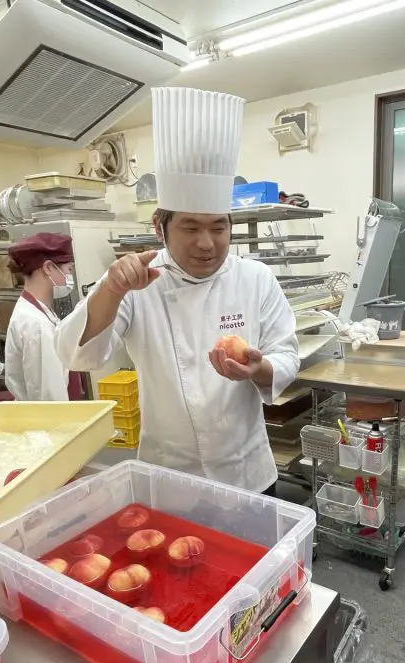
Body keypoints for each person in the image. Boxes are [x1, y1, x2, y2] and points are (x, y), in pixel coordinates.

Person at [55, 87, 299, 495]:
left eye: (219, 227)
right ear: (159, 226)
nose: (207, 243)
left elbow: (286, 354)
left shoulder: (256, 278)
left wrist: (258, 368)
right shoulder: (136, 281)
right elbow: (78, 355)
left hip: (248, 473)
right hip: (170, 478)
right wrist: (111, 290)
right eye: (190, 227)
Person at [4, 232, 87, 401]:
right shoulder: (37, 324)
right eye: (68, 270)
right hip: (51, 422)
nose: (69, 278)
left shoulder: (37, 311)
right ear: (48, 267)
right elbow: (50, 399)